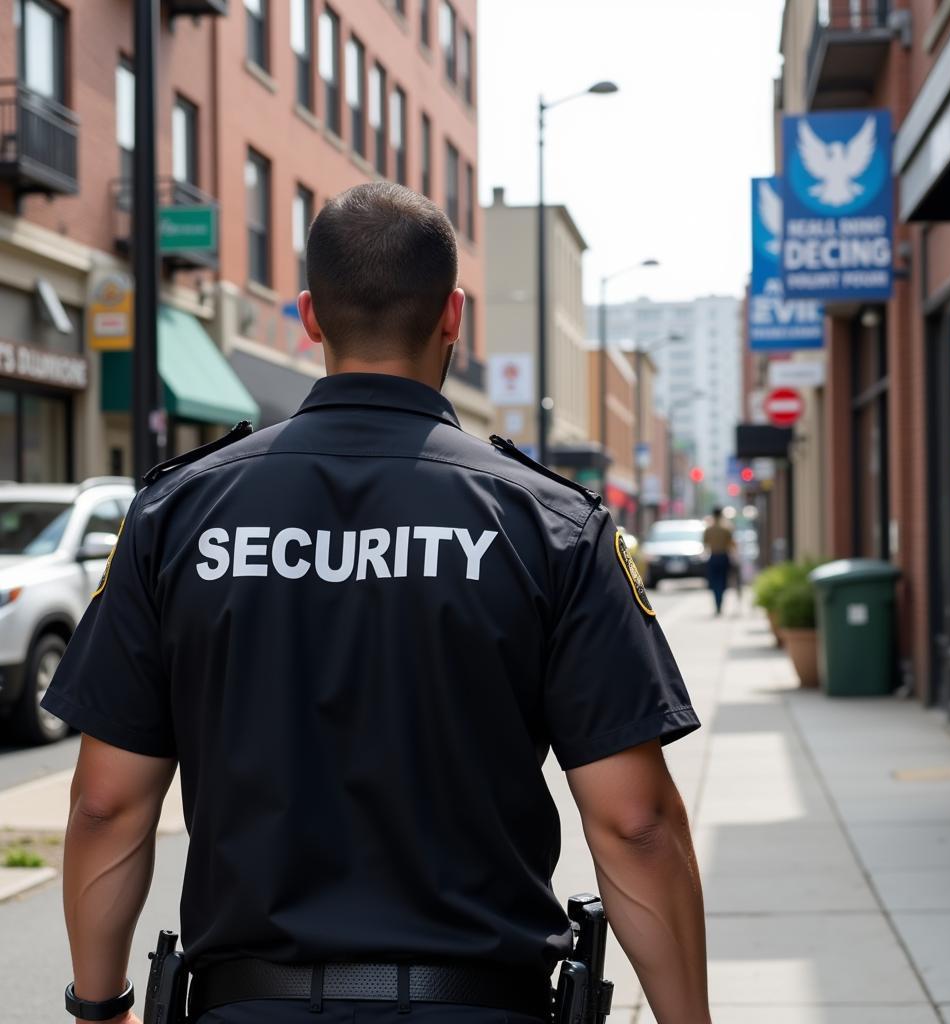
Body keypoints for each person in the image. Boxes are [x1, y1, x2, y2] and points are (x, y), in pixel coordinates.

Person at [42, 183, 711, 1024]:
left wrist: (99, 1009)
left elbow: (106, 803)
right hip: (478, 1006)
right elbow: (636, 824)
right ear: (453, 315)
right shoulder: (547, 525)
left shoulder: (179, 515)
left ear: (310, 317)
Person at [703, 507, 735, 616]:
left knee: (714, 581)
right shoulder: (726, 528)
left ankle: (717, 604)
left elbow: (705, 543)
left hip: (713, 556)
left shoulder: (709, 529)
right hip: (723, 556)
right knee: (722, 581)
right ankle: (720, 604)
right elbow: (731, 544)